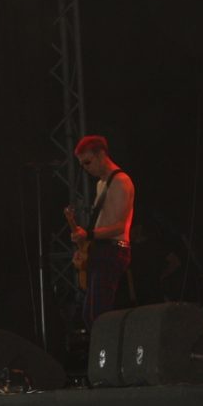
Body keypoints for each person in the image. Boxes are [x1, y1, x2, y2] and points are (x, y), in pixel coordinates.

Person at [66, 135, 135, 330]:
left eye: (87, 162)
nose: (85, 168)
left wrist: (88, 235)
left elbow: (119, 227)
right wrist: (84, 244)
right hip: (102, 249)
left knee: (98, 315)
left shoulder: (121, 181)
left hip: (114, 250)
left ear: (101, 155)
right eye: (81, 164)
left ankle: (108, 347)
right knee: (90, 315)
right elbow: (102, 222)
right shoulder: (101, 184)